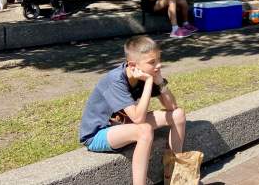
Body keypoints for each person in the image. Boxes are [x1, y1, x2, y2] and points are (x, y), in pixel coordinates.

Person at [79, 36, 189, 185]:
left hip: (125, 124)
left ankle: (175, 175)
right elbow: (138, 119)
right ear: (132, 65)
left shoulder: (147, 74)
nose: (158, 65)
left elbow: (172, 107)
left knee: (178, 115)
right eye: (152, 62)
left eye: (158, 59)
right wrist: (149, 82)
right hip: (98, 134)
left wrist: (160, 82)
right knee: (144, 130)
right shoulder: (116, 80)